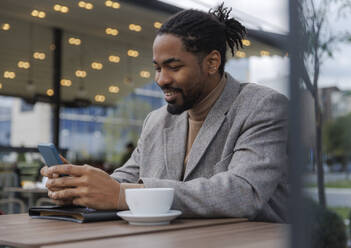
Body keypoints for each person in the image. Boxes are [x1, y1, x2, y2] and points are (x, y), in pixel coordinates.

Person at [41, 4, 288, 222]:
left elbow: (243, 193)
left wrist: (120, 195)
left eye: (174, 67)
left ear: (212, 63)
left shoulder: (262, 106)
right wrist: (80, 187)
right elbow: (127, 178)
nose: (161, 79)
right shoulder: (157, 121)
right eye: (158, 68)